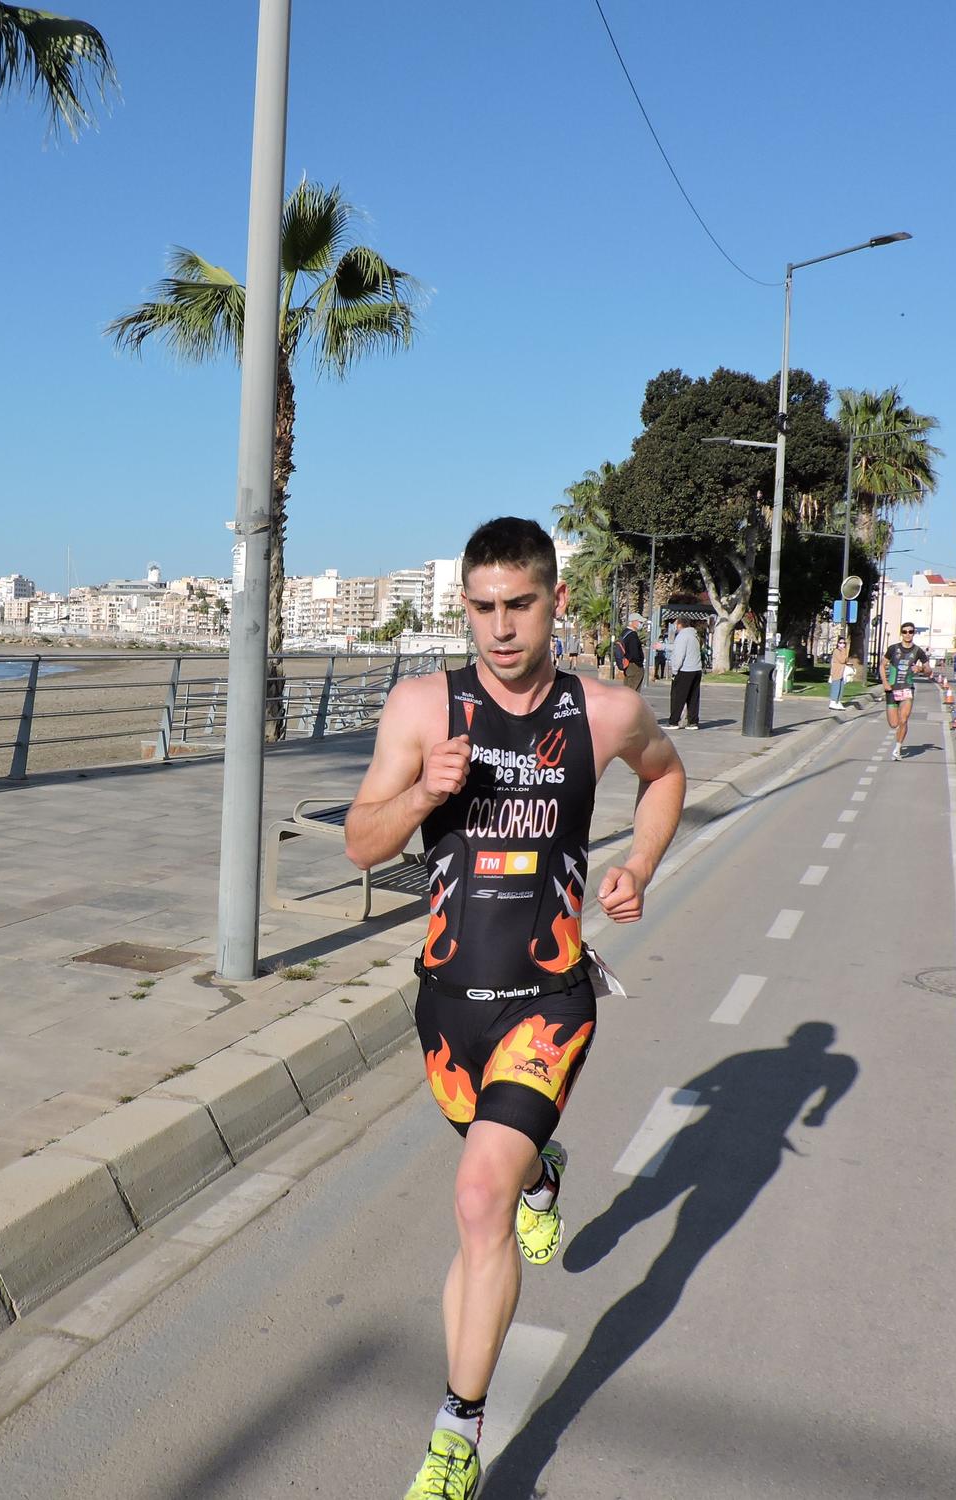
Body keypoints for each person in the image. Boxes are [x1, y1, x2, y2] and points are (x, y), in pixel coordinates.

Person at [345, 517, 686, 1500]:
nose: (498, 629)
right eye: (481, 608)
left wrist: (638, 866)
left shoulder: (604, 712)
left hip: (548, 997)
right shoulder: (421, 708)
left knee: (472, 1200)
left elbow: (664, 775)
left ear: (554, 602)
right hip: (448, 1008)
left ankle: (455, 1435)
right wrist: (418, 799)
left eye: (518, 606)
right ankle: (544, 1168)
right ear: (465, 607)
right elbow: (359, 845)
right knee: (497, 1177)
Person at [882, 623, 932, 759]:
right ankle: (898, 738)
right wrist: (885, 683)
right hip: (892, 689)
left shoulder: (918, 651)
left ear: (914, 633)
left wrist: (921, 669)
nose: (908, 634)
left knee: (903, 720)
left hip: (907, 689)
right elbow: (882, 665)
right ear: (901, 633)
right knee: (894, 724)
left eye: (910, 632)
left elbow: (929, 671)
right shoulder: (893, 649)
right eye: (905, 632)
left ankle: (897, 749)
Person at [667, 617, 704, 727]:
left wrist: (674, 670)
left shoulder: (682, 636)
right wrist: (664, 646)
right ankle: (693, 722)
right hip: (696, 669)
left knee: (678, 697)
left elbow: (679, 654)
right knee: (693, 697)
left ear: (679, 625)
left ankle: (674, 721)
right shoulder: (694, 635)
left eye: (675, 624)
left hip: (684, 670)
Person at [615, 614, 646, 692]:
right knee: (633, 691)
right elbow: (634, 652)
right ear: (633, 622)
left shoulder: (625, 633)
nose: (641, 624)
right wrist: (639, 663)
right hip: (634, 666)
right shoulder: (632, 635)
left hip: (628, 664)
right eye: (640, 622)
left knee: (627, 688)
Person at [827, 633, 850, 712]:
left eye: (843, 643)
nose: (842, 644)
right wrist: (844, 651)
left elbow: (846, 660)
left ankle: (838, 701)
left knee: (841, 687)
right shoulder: (836, 651)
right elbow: (842, 660)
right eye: (840, 643)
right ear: (837, 643)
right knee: (836, 686)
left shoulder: (843, 651)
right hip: (837, 671)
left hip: (842, 672)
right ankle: (833, 701)